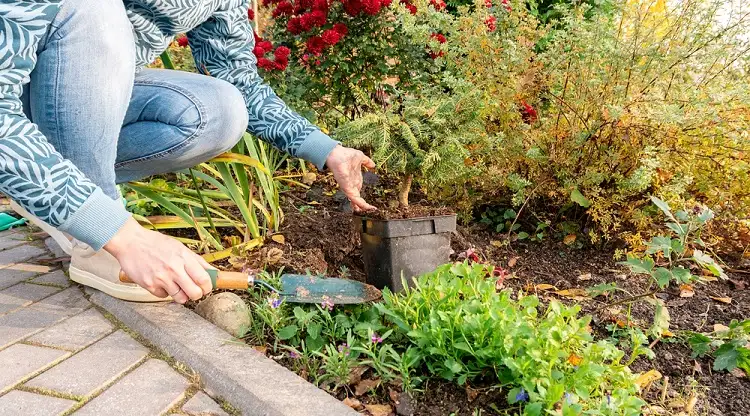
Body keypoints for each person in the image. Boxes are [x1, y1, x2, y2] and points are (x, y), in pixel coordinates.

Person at [0, 0, 375, 304]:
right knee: (95, 9)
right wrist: (124, 236)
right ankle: (91, 234)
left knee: (221, 111)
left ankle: (63, 190)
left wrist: (327, 150)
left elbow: (239, 79)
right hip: (18, 101)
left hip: (82, 103)